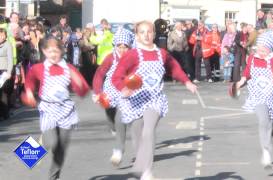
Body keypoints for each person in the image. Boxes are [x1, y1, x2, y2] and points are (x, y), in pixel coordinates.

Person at [112, 20, 197, 180]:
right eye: (142, 32)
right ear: (137, 36)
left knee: (148, 130)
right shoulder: (132, 55)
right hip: (135, 99)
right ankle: (141, 165)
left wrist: (186, 81)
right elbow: (117, 76)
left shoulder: (162, 54)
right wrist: (123, 88)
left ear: (154, 34)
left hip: (154, 99)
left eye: (149, 31)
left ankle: (146, 170)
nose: (146, 35)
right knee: (137, 134)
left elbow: (174, 68)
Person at [22, 37, 89, 180]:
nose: (53, 54)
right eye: (50, 51)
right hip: (48, 109)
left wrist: (79, 83)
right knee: (51, 142)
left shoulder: (69, 68)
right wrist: (29, 92)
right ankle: (31, 150)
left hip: (66, 110)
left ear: (62, 51)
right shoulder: (38, 68)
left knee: (61, 147)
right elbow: (29, 81)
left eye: (56, 51)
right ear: (44, 51)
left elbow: (83, 90)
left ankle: (53, 177)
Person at [236, 31, 273, 168]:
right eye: (259, 48)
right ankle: (266, 151)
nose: (261, 51)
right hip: (257, 96)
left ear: (269, 48)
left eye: (264, 49)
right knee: (263, 122)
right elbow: (247, 72)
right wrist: (241, 81)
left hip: (271, 97)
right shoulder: (253, 58)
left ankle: (269, 139)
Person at [92, 28, 133, 166]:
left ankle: (119, 150)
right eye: (119, 47)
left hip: (124, 93)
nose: (122, 50)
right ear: (115, 46)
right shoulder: (110, 58)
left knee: (120, 119)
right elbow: (99, 75)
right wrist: (97, 92)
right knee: (111, 120)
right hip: (108, 94)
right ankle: (114, 129)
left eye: (125, 47)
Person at [0, 28, 13, 120]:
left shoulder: (7, 45)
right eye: (0, 35)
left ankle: (5, 113)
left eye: (3, 35)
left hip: (3, 71)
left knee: (3, 92)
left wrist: (9, 71)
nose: (2, 37)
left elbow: (10, 59)